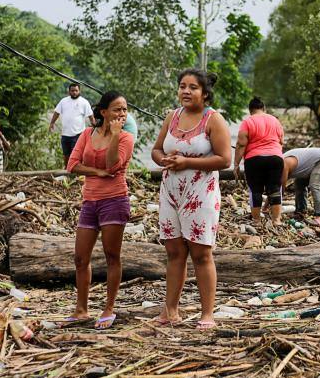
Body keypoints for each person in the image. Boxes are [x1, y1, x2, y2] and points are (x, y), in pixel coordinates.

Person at [152, 69, 231, 330]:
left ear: (205, 93)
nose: (186, 91)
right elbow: (156, 148)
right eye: (182, 86)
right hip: (171, 190)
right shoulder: (172, 116)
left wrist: (187, 161)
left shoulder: (214, 119)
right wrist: (163, 159)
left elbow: (224, 160)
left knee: (201, 253)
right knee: (174, 252)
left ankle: (207, 314)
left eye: (193, 87)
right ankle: (169, 311)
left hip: (201, 192)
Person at [64, 91, 135, 330]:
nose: (122, 114)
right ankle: (81, 309)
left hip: (114, 200)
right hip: (90, 201)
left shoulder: (126, 137)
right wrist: (97, 173)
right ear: (103, 112)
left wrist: (114, 137)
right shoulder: (87, 133)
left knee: (111, 255)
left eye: (124, 109)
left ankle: (109, 308)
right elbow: (72, 165)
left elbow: (112, 165)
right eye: (117, 109)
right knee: (80, 257)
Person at [233, 97, 285, 226]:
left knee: (255, 190)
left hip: (254, 159)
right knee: (274, 189)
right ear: (264, 108)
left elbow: (240, 144)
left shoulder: (248, 122)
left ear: (250, 110)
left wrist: (236, 164)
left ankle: (256, 221)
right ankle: (276, 220)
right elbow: (281, 141)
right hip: (275, 158)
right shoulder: (275, 120)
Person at [282, 148, 320, 227]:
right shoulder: (280, 163)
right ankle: (301, 212)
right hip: (310, 163)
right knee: (299, 184)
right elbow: (276, 188)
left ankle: (318, 218)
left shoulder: (284, 165)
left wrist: (268, 206)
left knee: (315, 186)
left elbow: (280, 189)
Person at [50, 83, 95, 166]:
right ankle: (66, 172)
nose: (74, 92)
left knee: (77, 155)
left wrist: (95, 127)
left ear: (79, 91)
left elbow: (91, 116)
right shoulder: (63, 101)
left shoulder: (84, 102)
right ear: (69, 91)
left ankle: (78, 174)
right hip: (65, 134)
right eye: (72, 91)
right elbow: (57, 112)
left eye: (76, 91)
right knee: (66, 154)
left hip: (78, 134)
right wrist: (52, 123)